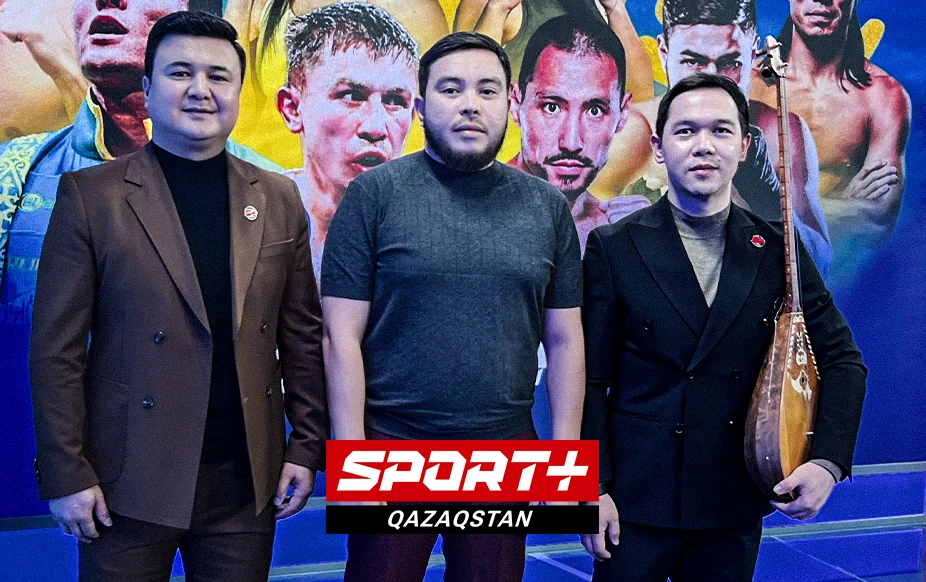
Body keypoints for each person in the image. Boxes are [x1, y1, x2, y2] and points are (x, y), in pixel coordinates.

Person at [30, 11, 327, 581]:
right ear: (147, 89)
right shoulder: (92, 196)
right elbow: (55, 351)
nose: (200, 90)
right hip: (125, 482)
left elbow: (302, 337)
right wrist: (67, 472)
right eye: (180, 72)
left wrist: (306, 446)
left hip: (245, 480)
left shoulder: (279, 197)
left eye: (218, 76)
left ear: (238, 92)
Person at [580, 73, 867, 581]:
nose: (704, 145)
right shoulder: (614, 247)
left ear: (744, 146)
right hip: (633, 505)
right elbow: (589, 380)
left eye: (721, 130)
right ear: (659, 147)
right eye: (685, 131)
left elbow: (842, 360)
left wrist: (827, 461)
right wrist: (590, 488)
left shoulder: (778, 250)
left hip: (731, 504)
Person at [322, 31, 584, 582]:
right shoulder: (373, 195)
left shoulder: (547, 206)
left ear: (511, 104)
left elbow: (564, 340)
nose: (470, 104)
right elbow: (339, 336)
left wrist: (564, 462)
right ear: (421, 107)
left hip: (504, 456)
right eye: (451, 89)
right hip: (391, 450)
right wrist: (352, 464)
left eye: (487, 90)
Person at [632, 0, 832, 275]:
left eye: (730, 63)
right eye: (693, 61)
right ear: (664, 53)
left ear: (752, 54)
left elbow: (819, 265)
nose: (712, 83)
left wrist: (768, 203)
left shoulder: (780, 132)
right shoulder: (630, 133)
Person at [752, 0, 910, 252]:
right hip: (758, 264)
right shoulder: (749, 86)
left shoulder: (883, 97)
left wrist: (773, 204)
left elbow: (876, 226)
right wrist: (842, 207)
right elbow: (718, 206)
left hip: (836, 270)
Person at [276, 3, 418, 282]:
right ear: (293, 109)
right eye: (352, 96)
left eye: (394, 101)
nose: (375, 128)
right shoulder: (246, 221)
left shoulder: (433, 236)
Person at [509, 15, 651, 253]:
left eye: (595, 111)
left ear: (623, 113)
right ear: (516, 103)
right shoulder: (471, 212)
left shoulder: (617, 229)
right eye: (551, 107)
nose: (571, 142)